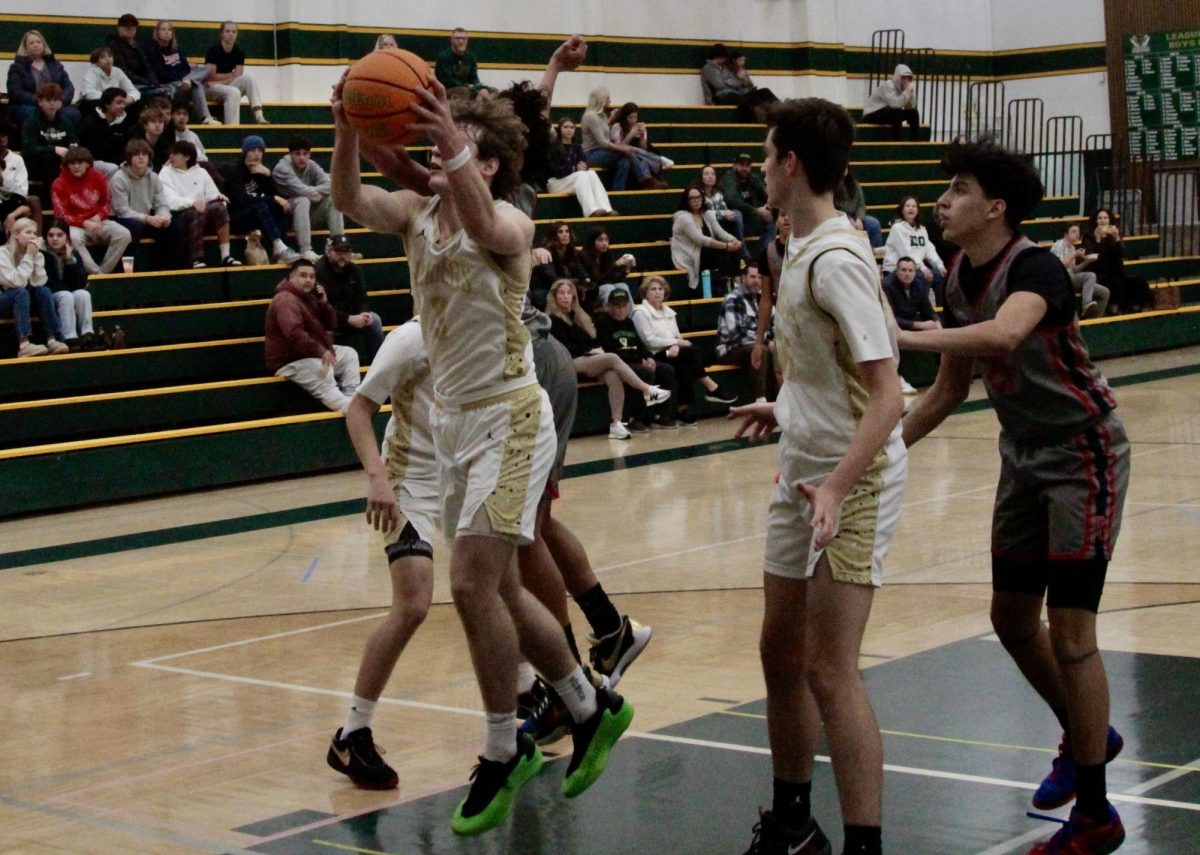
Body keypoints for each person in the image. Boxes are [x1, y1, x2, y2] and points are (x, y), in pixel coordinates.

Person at [331, 70, 635, 837]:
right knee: (496, 591)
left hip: (510, 414)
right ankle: (591, 703)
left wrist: (441, 143)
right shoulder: (418, 212)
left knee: (468, 583)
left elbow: (488, 227)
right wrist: (346, 125)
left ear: (488, 159)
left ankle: (506, 745)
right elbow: (350, 199)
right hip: (455, 430)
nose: (438, 143)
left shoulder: (509, 222)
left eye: (456, 137)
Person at [898, 139, 1129, 855]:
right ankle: (1089, 733)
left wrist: (901, 332)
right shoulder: (959, 274)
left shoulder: (1036, 267)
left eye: (959, 189)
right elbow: (946, 394)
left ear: (994, 207)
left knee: (1072, 632)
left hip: (1082, 453)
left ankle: (1096, 816)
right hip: (1023, 454)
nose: (943, 200)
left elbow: (1005, 335)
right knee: (1008, 617)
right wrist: (873, 458)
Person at [732, 98, 907, 855]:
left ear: (791, 164)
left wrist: (837, 483)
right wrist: (788, 405)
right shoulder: (798, 249)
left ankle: (865, 843)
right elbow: (828, 372)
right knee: (780, 652)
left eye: (767, 157)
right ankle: (794, 822)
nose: (761, 169)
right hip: (803, 468)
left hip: (853, 481)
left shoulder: (836, 260)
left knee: (830, 670)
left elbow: (889, 393)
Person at [325, 317, 436, 790]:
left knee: (500, 586)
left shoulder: (481, 323)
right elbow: (358, 410)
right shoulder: (410, 339)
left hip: (465, 476)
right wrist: (377, 478)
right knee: (412, 604)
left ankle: (526, 695)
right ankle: (352, 732)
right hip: (410, 481)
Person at [546, 277, 670, 439]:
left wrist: (594, 348)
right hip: (568, 362)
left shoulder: (579, 317)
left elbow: (592, 340)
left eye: (569, 293)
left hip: (587, 360)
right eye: (561, 293)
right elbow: (564, 347)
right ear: (554, 297)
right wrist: (591, 350)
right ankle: (647, 390)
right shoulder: (552, 320)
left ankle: (616, 424)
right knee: (611, 357)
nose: (566, 296)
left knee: (613, 375)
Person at [633, 274, 736, 424]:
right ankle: (711, 387)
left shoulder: (668, 312)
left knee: (686, 361)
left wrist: (676, 345)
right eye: (653, 289)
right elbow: (649, 340)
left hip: (670, 352)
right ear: (645, 293)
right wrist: (675, 343)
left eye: (660, 289)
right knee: (688, 352)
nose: (657, 292)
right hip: (653, 354)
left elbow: (677, 336)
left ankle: (683, 409)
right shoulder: (640, 312)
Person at [264, 258, 360, 412]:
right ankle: (354, 412)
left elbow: (332, 325)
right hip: (290, 361)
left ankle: (352, 399)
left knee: (349, 355)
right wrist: (321, 351)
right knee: (323, 370)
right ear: (291, 278)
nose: (308, 280)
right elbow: (294, 334)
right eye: (303, 276)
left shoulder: (309, 297)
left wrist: (324, 304)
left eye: (312, 277)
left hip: (309, 354)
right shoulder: (285, 301)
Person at [593, 283, 676, 430]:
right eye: (617, 305)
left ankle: (661, 415)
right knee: (645, 372)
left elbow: (640, 345)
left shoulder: (629, 323)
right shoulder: (602, 324)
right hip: (619, 363)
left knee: (666, 369)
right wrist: (640, 360)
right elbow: (610, 351)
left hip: (636, 359)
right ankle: (635, 417)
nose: (621, 309)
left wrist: (649, 357)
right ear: (609, 306)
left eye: (624, 305)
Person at [51, 145, 132, 275]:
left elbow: (107, 202)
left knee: (124, 234)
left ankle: (104, 272)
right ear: (67, 165)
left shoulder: (98, 177)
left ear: (88, 164)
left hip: (98, 220)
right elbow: (61, 214)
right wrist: (84, 223)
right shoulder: (59, 183)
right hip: (74, 224)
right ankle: (96, 274)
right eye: (72, 163)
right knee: (73, 237)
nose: (76, 166)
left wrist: (99, 216)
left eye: (80, 162)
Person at [158, 139, 237, 268]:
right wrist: (191, 203)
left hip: (202, 210)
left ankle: (226, 255)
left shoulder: (201, 172)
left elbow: (212, 194)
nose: (171, 157)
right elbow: (169, 200)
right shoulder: (165, 173)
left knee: (220, 207)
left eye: (175, 154)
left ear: (187, 157)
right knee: (196, 212)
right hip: (179, 214)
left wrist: (218, 197)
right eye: (170, 153)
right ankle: (196, 258)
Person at [222, 135, 299, 263]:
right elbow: (242, 201)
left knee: (282, 210)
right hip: (235, 217)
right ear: (245, 152)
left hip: (256, 215)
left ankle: (279, 249)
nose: (257, 154)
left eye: (260, 150)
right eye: (253, 150)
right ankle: (278, 245)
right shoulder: (235, 171)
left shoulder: (262, 170)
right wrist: (273, 199)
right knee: (261, 206)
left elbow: (277, 197)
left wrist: (268, 176)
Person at [0, 217, 69, 356]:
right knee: (20, 292)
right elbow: (16, 282)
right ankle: (24, 344)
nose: (32, 236)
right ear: (16, 235)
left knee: (44, 291)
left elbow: (39, 282)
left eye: (34, 233)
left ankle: (52, 339)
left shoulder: (31, 254)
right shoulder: (2, 253)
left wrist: (36, 257)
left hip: (22, 300)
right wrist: (29, 256)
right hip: (4, 299)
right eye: (28, 232)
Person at [273, 135, 345, 261]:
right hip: (284, 217)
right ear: (290, 154)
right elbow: (302, 190)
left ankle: (339, 247)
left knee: (333, 199)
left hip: (305, 216)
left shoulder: (312, 166)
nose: (302, 158)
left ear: (309, 154)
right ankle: (305, 250)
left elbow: (332, 185)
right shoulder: (282, 168)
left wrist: (315, 193)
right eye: (297, 154)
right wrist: (318, 193)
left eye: (305, 154)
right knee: (303, 199)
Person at [316, 233, 383, 363]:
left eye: (347, 252)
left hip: (352, 316)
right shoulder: (319, 272)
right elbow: (322, 308)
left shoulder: (355, 270)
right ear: (329, 252)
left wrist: (363, 313)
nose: (343, 256)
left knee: (375, 321)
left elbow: (362, 297)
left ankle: (376, 364)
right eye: (338, 251)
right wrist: (349, 319)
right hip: (329, 320)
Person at [580, 87, 661, 191]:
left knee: (624, 163)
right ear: (600, 100)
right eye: (607, 98)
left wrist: (610, 120)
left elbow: (604, 133)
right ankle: (647, 179)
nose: (610, 101)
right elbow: (603, 142)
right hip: (591, 153)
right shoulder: (590, 116)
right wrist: (622, 149)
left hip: (602, 152)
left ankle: (617, 193)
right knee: (627, 152)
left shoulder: (602, 116)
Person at [717, 265, 773, 402]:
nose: (757, 281)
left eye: (760, 277)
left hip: (752, 344)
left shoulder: (763, 299)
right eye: (752, 277)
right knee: (760, 350)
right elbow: (736, 333)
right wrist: (765, 341)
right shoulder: (733, 299)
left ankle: (782, 399)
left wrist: (775, 340)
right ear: (743, 278)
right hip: (730, 348)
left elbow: (774, 324)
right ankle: (761, 400)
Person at [42, 219, 98, 350]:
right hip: (49, 296)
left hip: (66, 292)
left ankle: (87, 334)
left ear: (66, 237)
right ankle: (69, 337)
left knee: (83, 294)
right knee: (66, 295)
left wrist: (69, 261)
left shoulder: (74, 254)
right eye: (51, 235)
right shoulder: (41, 255)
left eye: (59, 235)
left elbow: (79, 284)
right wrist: (67, 287)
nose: (55, 239)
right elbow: (50, 284)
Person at [1082, 207, 1151, 315]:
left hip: (1115, 271)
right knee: (1115, 283)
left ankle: (1138, 307)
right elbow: (1095, 259)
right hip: (1099, 273)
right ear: (1095, 221)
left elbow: (1119, 254)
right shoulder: (1088, 237)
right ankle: (1113, 310)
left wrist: (1117, 238)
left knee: (1139, 282)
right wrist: (1098, 240)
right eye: (1099, 218)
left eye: (1105, 218)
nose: (1103, 220)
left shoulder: (1112, 236)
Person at [671, 186, 741, 291]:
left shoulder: (707, 214)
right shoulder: (683, 218)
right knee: (723, 254)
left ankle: (736, 284)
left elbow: (720, 232)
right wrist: (726, 246)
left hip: (707, 253)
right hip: (691, 256)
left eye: (698, 197)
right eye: (692, 198)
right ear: (686, 200)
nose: (696, 200)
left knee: (734, 250)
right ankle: (726, 285)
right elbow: (701, 240)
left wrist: (733, 240)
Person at [148, 20, 217, 124]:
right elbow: (160, 74)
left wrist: (186, 78)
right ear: (157, 32)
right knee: (195, 83)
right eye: (163, 29)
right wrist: (182, 78)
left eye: (169, 30)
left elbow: (186, 68)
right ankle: (204, 116)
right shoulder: (153, 51)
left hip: (184, 81)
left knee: (206, 69)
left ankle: (206, 118)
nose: (167, 32)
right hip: (169, 84)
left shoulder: (177, 49)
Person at [7, 30, 79, 126]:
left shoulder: (56, 65)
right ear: (25, 48)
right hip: (30, 105)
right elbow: (15, 92)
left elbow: (69, 87)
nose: (35, 45)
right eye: (31, 43)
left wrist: (60, 101)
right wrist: (40, 102)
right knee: (32, 114)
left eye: (38, 42)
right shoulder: (17, 67)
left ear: (43, 45)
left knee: (72, 114)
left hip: (55, 104)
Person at [21, 83, 79, 203]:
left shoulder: (66, 122)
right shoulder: (31, 121)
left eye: (56, 100)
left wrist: (73, 149)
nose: (52, 104)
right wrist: (53, 149)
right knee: (51, 162)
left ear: (60, 103)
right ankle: (55, 203)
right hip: (37, 164)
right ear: (40, 102)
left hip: (62, 161)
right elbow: (28, 150)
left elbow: (74, 141)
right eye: (48, 100)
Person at [546, 117, 615, 217]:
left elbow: (584, 164)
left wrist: (583, 167)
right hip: (555, 183)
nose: (569, 130)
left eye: (572, 127)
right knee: (581, 175)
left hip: (573, 180)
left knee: (591, 173)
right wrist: (575, 168)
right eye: (565, 127)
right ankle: (591, 211)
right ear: (560, 129)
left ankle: (607, 209)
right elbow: (555, 171)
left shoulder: (577, 147)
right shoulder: (553, 147)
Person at [882, 194, 946, 299]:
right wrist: (923, 268)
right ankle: (921, 309)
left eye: (914, 206)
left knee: (939, 275)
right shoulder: (897, 228)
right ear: (902, 210)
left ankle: (941, 311)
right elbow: (906, 253)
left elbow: (929, 249)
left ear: (918, 211)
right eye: (908, 206)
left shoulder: (921, 229)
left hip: (916, 267)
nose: (911, 208)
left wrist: (939, 265)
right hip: (896, 268)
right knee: (921, 277)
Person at [205, 21, 268, 125]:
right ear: (222, 34)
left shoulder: (239, 52)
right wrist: (231, 75)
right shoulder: (213, 50)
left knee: (249, 79)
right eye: (228, 31)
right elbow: (211, 77)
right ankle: (232, 127)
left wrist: (223, 79)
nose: (231, 34)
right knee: (234, 92)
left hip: (223, 85)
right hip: (211, 89)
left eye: (234, 32)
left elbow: (238, 76)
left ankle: (259, 116)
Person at [752, 209, 790, 376]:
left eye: (791, 214)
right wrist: (759, 342)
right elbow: (766, 299)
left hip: (810, 319)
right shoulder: (768, 252)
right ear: (776, 221)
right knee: (782, 373)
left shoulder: (809, 248)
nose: (787, 218)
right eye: (782, 215)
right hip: (784, 320)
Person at [1050, 222, 1108, 319]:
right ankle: (1086, 304)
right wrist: (1074, 254)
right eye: (1073, 231)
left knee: (1104, 292)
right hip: (1061, 280)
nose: (1077, 234)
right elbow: (1059, 267)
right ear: (1066, 234)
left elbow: (1074, 270)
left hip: (1071, 278)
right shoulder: (1058, 245)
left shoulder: (1072, 248)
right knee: (1090, 275)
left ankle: (1095, 320)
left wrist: (1087, 262)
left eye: (1078, 232)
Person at [530, 220, 589, 310]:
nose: (565, 234)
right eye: (560, 232)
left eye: (567, 231)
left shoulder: (571, 251)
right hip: (544, 290)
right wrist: (578, 282)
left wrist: (585, 280)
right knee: (571, 291)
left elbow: (580, 271)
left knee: (589, 290)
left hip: (563, 286)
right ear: (554, 235)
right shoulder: (546, 252)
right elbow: (553, 280)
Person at [106, 14, 166, 102]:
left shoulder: (136, 46)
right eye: (126, 27)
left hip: (142, 83)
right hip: (125, 85)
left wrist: (155, 84)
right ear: (119, 28)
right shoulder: (114, 46)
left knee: (163, 91)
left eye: (133, 27)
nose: (130, 30)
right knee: (154, 94)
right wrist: (147, 83)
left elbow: (147, 68)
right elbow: (124, 72)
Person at [76, 88, 134, 177]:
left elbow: (124, 149)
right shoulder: (89, 122)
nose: (122, 106)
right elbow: (80, 146)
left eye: (123, 103)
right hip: (90, 162)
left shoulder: (124, 124)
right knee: (112, 168)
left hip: (116, 164)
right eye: (118, 103)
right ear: (107, 104)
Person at [609, 102, 673, 180]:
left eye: (635, 117)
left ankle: (649, 181)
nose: (633, 120)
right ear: (625, 117)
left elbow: (643, 149)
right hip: (619, 154)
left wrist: (642, 136)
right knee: (630, 149)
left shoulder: (639, 125)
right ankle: (659, 160)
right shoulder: (617, 126)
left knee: (640, 158)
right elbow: (619, 148)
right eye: (630, 117)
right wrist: (630, 135)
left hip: (636, 155)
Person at [720, 153, 773, 240]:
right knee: (737, 214)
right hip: (731, 224)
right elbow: (731, 200)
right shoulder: (729, 178)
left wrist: (768, 207)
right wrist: (755, 210)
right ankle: (742, 252)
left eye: (747, 165)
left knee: (770, 218)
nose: (744, 168)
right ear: (734, 166)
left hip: (750, 222)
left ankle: (766, 250)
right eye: (741, 165)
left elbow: (766, 197)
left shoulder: (753, 179)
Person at [698, 163, 747, 256]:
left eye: (713, 174)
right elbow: (705, 214)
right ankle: (742, 251)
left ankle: (738, 244)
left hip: (722, 224)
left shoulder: (718, 193)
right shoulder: (699, 194)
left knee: (737, 214)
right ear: (701, 177)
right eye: (706, 174)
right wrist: (723, 214)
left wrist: (727, 213)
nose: (710, 176)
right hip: (707, 227)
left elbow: (723, 209)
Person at [0, 127, 39, 240]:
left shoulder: (17, 159)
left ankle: (37, 240)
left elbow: (22, 192)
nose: (1, 139)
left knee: (32, 201)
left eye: (3, 135)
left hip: (12, 202)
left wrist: (3, 180)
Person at [862, 64, 920, 140]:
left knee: (913, 113)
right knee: (897, 112)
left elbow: (910, 107)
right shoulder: (888, 85)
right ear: (898, 77)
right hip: (873, 114)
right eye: (903, 77)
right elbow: (895, 104)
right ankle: (897, 142)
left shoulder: (905, 89)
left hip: (889, 114)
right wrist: (907, 92)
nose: (906, 80)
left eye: (908, 78)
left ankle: (914, 142)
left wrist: (910, 93)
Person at [884, 256, 940, 332]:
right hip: (892, 328)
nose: (907, 274)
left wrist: (937, 323)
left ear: (915, 272)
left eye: (910, 271)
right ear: (896, 271)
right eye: (903, 270)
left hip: (911, 324)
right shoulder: (886, 285)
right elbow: (890, 318)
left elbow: (927, 309)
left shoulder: (919, 284)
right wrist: (919, 325)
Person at [80, 46, 140, 114]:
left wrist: (130, 98)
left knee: (137, 104)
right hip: (99, 102)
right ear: (97, 62)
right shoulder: (91, 73)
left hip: (117, 103)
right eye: (103, 57)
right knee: (96, 104)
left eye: (110, 56)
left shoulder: (117, 71)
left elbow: (133, 90)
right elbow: (88, 92)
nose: (108, 59)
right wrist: (111, 99)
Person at [834, 168, 883, 248]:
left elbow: (861, 205)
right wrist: (848, 219)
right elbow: (834, 208)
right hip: (839, 218)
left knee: (873, 223)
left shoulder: (854, 184)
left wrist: (859, 218)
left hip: (856, 217)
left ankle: (876, 255)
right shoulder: (831, 187)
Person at [434, 27, 485, 95]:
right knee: (464, 91)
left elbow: (474, 77)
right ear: (451, 40)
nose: (461, 41)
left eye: (463, 38)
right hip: (446, 90)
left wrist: (478, 85)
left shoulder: (471, 57)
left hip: (466, 88)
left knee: (490, 91)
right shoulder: (444, 57)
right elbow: (447, 80)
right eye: (458, 38)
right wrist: (466, 86)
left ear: (467, 40)